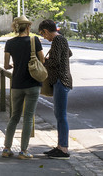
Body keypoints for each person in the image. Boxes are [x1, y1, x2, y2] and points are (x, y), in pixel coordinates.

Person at [1, 17, 40, 157]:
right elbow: (41, 59)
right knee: (28, 117)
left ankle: (6, 148)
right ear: (28, 27)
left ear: (16, 27)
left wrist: (15, 65)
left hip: (17, 84)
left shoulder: (10, 43)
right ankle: (24, 151)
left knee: (14, 117)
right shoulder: (34, 40)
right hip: (32, 83)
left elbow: (6, 65)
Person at [39, 19, 74, 159]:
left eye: (43, 34)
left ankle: (63, 148)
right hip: (62, 80)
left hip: (61, 80)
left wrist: (43, 61)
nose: (44, 37)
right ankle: (60, 146)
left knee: (61, 115)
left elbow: (55, 61)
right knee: (59, 114)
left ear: (46, 31)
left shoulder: (58, 40)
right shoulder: (61, 39)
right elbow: (69, 53)